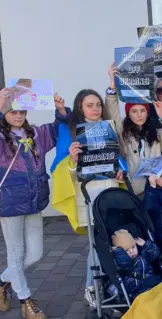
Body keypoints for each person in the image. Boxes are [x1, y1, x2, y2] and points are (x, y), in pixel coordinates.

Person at [0, 88, 64, 319]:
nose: (18, 115)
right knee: (17, 253)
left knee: (35, 254)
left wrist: (61, 109)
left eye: (22, 110)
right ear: (5, 113)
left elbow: (58, 129)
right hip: (10, 203)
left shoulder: (38, 135)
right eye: (13, 111)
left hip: (34, 201)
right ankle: (26, 301)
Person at [50, 89, 128, 307]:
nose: (95, 109)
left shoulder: (108, 128)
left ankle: (109, 284)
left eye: (98, 105)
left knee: (112, 240)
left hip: (111, 190)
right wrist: (73, 159)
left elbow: (118, 159)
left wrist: (121, 172)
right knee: (97, 243)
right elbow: (60, 166)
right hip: (88, 192)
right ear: (80, 108)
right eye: (89, 105)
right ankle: (91, 286)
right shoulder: (70, 130)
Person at [104, 63, 162, 196]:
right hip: (132, 189)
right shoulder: (123, 130)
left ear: (147, 113)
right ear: (128, 114)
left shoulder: (155, 133)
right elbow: (112, 113)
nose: (139, 114)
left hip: (154, 189)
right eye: (134, 111)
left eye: (142, 111)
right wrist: (112, 86)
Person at [111, 229, 162, 302]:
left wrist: (146, 244)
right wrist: (118, 251)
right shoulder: (123, 263)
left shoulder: (142, 254)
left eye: (133, 247)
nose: (132, 252)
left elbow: (155, 254)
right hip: (138, 291)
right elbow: (125, 263)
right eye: (126, 250)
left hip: (153, 283)